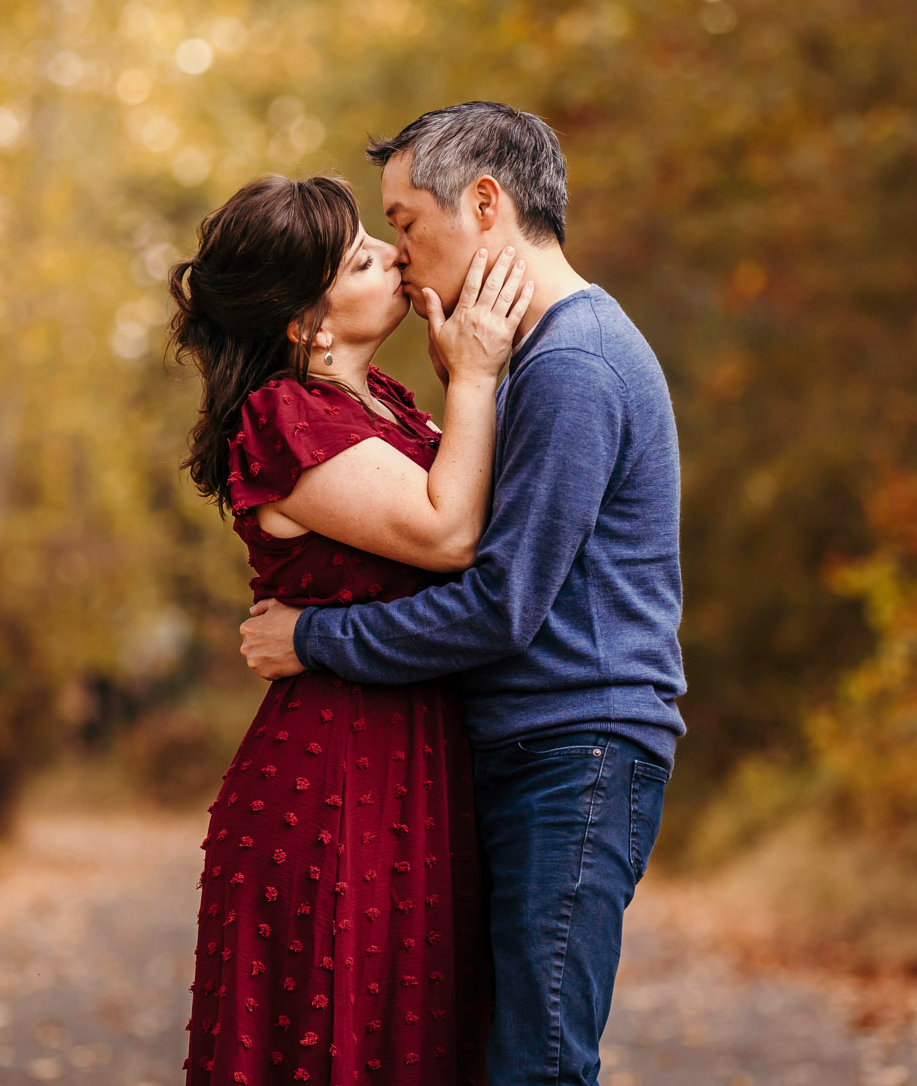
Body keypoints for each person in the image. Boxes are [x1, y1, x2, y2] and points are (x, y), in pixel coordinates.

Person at [240, 102, 687, 1086]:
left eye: (401, 222)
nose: (398, 256)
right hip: (528, 744)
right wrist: (466, 384)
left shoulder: (571, 363)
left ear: (483, 203)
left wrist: (312, 641)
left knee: (536, 1063)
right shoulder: (531, 360)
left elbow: (497, 604)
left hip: (574, 746)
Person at [166, 171, 534, 1085]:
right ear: (307, 326)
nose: (394, 253)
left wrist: (458, 380)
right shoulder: (283, 417)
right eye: (362, 257)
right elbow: (449, 535)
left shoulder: (390, 405)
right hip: (331, 789)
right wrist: (479, 376)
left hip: (413, 766)